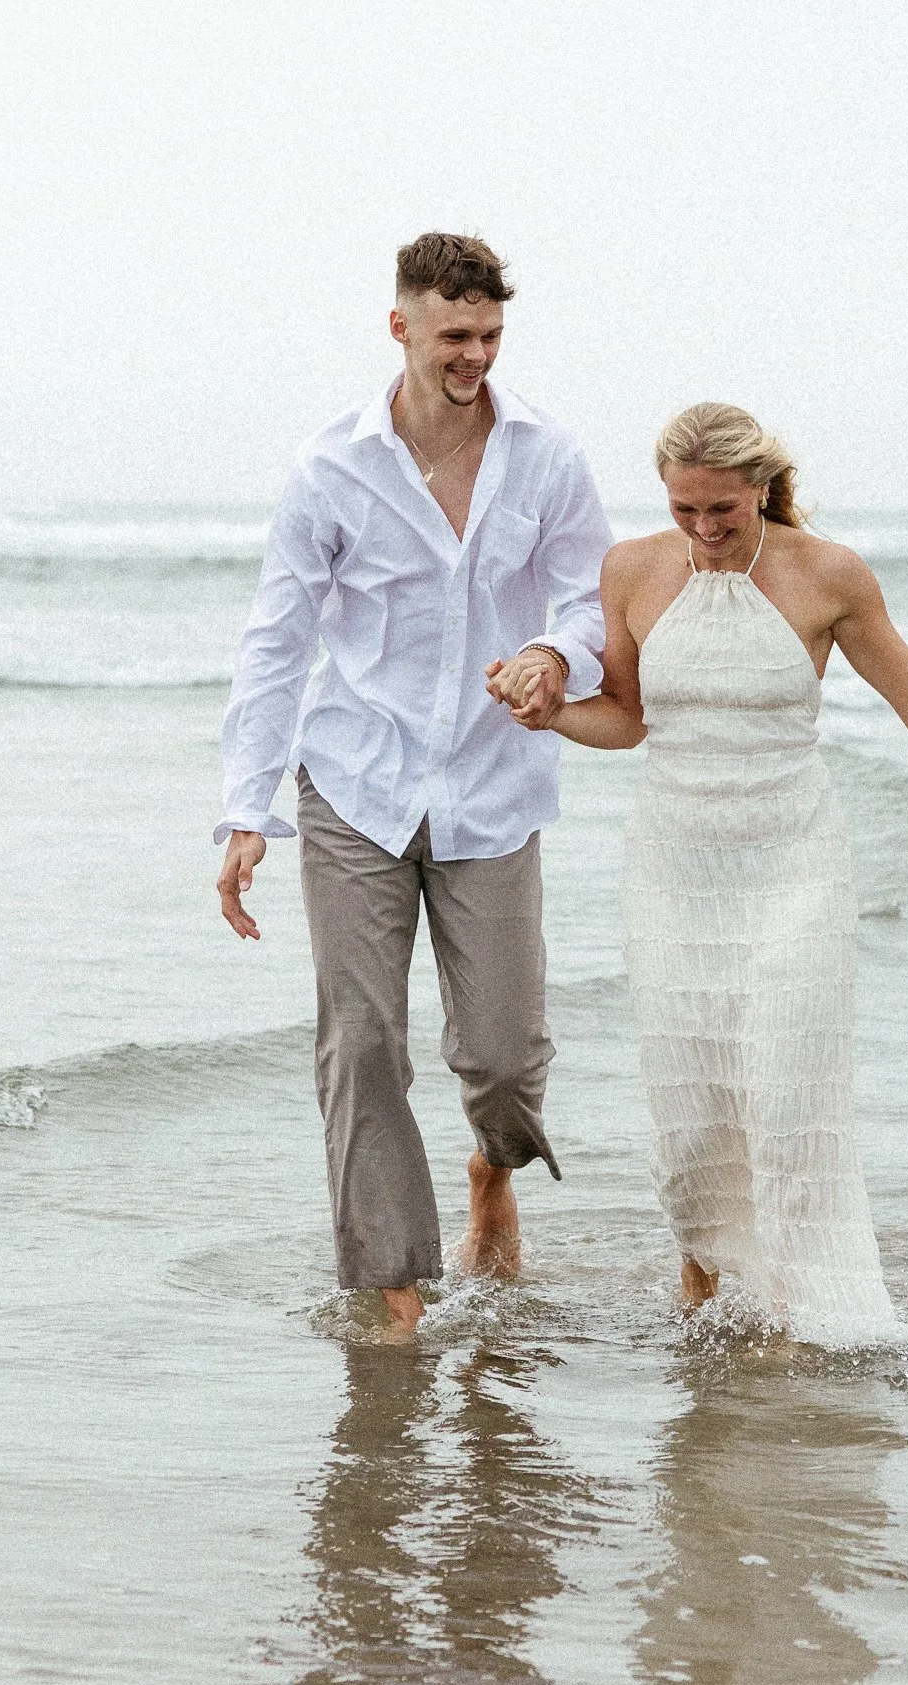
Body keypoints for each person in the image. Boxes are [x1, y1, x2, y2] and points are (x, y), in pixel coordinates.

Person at [492, 402, 908, 1344]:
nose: (703, 531)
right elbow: (626, 717)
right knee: (695, 1105)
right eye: (684, 509)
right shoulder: (633, 569)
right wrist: (551, 717)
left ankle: (799, 1315)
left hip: (794, 862)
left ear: (762, 489)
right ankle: (703, 1301)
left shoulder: (829, 574)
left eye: (723, 511)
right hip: (674, 870)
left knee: (785, 1095)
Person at [215, 234, 611, 1336]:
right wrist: (246, 812)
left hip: (495, 784)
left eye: (488, 336)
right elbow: (276, 643)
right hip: (355, 784)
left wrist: (555, 658)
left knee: (500, 1052)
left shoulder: (549, 458)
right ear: (401, 327)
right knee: (361, 1039)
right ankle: (392, 1291)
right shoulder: (330, 468)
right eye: (452, 336)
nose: (473, 357)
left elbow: (591, 601)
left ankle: (494, 1164)